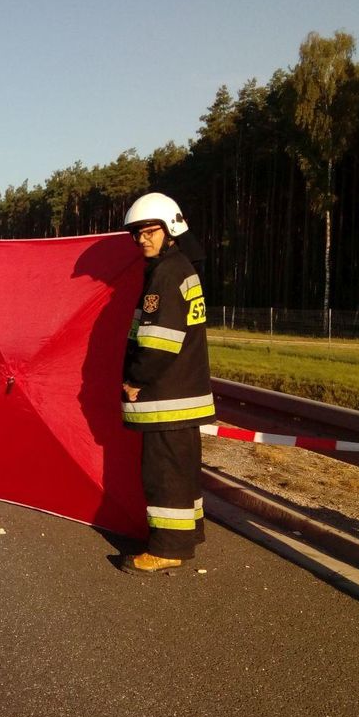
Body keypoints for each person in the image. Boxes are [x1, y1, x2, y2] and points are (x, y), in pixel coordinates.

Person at [119, 192, 216, 574]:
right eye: (138, 233)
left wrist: (135, 380)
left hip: (165, 395)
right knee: (183, 469)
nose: (142, 239)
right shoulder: (182, 268)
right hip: (185, 393)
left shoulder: (166, 272)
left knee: (164, 473)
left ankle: (167, 548)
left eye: (150, 231)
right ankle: (188, 533)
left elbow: (159, 341)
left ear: (171, 229)